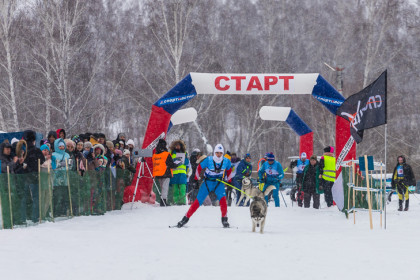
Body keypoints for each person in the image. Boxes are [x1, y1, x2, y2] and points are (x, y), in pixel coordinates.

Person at [177, 144, 232, 228]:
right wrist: (196, 180)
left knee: (223, 201)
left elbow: (229, 170)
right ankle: (185, 219)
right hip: (207, 183)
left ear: (223, 153)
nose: (219, 155)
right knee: (197, 202)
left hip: (219, 183)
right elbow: (199, 168)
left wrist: (229, 182)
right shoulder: (209, 160)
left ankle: (224, 219)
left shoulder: (226, 161)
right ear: (214, 153)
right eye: (217, 153)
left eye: (220, 153)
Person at [23, 130, 45, 222]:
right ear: (33, 140)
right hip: (35, 176)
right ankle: (35, 216)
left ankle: (27, 216)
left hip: (25, 177)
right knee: (36, 197)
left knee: (26, 197)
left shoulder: (24, 151)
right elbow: (42, 161)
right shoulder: (37, 150)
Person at [152, 139, 178, 206]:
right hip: (166, 173)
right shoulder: (166, 154)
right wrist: (176, 164)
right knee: (165, 188)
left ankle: (161, 201)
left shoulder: (155, 155)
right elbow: (170, 164)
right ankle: (163, 202)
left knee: (161, 188)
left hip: (158, 173)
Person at [169, 140, 189, 205]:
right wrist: (174, 161)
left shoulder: (185, 153)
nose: (177, 146)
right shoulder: (171, 153)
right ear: (174, 146)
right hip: (174, 174)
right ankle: (176, 202)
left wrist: (184, 159)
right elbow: (169, 162)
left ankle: (182, 202)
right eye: (176, 145)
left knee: (183, 189)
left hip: (182, 174)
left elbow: (187, 163)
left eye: (179, 145)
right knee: (175, 190)